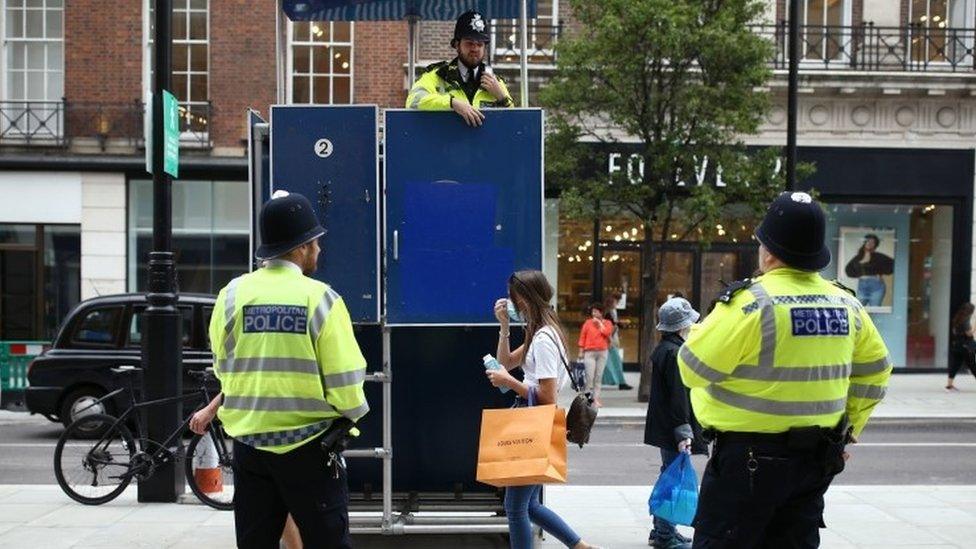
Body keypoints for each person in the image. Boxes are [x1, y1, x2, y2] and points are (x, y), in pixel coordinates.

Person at [678, 191, 892, 549]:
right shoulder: (846, 303)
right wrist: (849, 428)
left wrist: (704, 326)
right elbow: (877, 371)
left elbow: (692, 368)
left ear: (769, 251)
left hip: (747, 462)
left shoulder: (751, 303)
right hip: (816, 460)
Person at [190, 191, 369, 548]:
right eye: (316, 242)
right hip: (310, 449)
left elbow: (225, 368)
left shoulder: (231, 296)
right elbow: (346, 380)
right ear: (302, 247)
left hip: (250, 449)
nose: (319, 249)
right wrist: (349, 417)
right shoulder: (321, 299)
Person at [484, 270, 602, 549]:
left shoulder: (544, 338)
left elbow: (547, 396)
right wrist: (503, 328)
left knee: (515, 507)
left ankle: (578, 546)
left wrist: (508, 382)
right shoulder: (538, 331)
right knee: (530, 505)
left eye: (514, 298)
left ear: (526, 299)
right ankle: (579, 546)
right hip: (533, 421)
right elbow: (506, 362)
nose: (511, 304)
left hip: (534, 421)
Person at [644, 297, 705, 549]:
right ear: (682, 326)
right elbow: (678, 397)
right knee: (672, 479)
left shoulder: (664, 349)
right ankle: (664, 536)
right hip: (673, 427)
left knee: (669, 475)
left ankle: (662, 530)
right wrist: (684, 433)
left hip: (664, 425)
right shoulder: (676, 352)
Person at [405, 10, 514, 126]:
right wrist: (452, 103)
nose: (475, 49)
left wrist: (502, 98)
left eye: (480, 44)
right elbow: (413, 100)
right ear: (457, 45)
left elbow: (515, 123)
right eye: (469, 43)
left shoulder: (495, 82)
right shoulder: (437, 75)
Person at [578, 302, 614, 407]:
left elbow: (607, 333)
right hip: (589, 352)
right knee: (589, 376)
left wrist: (600, 325)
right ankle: (587, 398)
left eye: (595, 311)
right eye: (592, 311)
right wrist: (580, 351)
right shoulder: (588, 323)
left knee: (598, 377)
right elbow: (582, 337)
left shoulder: (607, 323)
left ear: (601, 313)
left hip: (602, 352)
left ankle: (596, 399)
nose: (593, 314)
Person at [844, 233, 894, 307]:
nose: (869, 243)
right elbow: (848, 269)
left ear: (875, 245)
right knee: (858, 309)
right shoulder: (858, 257)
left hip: (876, 286)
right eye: (868, 241)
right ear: (865, 242)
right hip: (862, 287)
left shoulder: (879, 256)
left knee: (875, 309)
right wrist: (858, 275)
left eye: (872, 242)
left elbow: (893, 264)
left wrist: (881, 273)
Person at [601, 293, 633, 391]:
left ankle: (614, 381)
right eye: (616, 301)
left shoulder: (609, 312)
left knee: (608, 362)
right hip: (610, 339)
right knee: (615, 361)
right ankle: (620, 382)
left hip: (609, 339)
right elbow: (610, 326)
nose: (617, 303)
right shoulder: (609, 313)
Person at [947, 302, 976, 391]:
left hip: (958, 345)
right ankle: (949, 386)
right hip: (966, 346)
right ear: (970, 311)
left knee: (955, 365)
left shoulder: (957, 319)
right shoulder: (965, 320)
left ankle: (949, 386)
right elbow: (969, 333)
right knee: (973, 365)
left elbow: (955, 332)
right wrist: (975, 326)